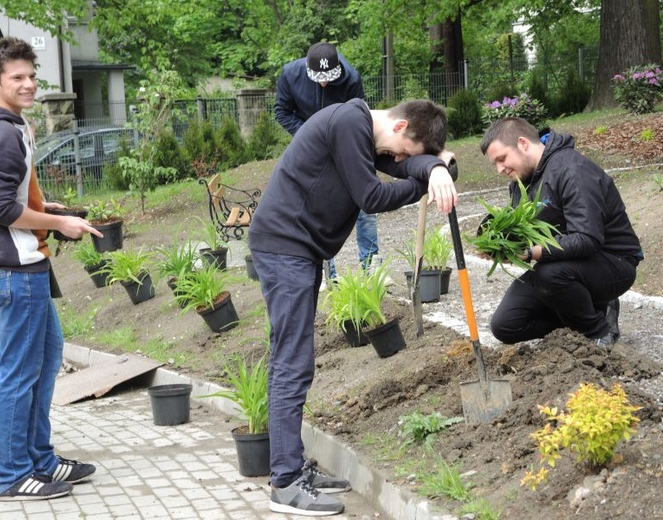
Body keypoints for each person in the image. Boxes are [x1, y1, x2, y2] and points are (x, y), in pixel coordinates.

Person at [249, 97, 457, 516]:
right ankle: (285, 483)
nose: (397, 159)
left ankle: (290, 467)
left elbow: (402, 165)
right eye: (403, 150)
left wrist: (434, 166)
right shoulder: (349, 123)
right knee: (293, 361)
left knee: (291, 360)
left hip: (296, 250)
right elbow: (372, 195)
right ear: (400, 129)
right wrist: (425, 179)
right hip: (284, 248)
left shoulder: (364, 133)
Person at [0, 37, 103, 501]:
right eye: (17, 78)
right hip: (13, 268)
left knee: (45, 359)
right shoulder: (1, 132)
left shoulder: (5, 122)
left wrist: (47, 206)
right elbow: (1, 209)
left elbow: (7, 198)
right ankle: (13, 475)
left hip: (13, 264)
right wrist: (59, 221)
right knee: (17, 373)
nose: (28, 84)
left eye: (31, 75)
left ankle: (42, 461)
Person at [479, 117, 644, 347]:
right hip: (563, 265)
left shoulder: (572, 169)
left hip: (612, 262)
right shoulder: (520, 182)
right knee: (506, 325)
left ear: (523, 143)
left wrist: (530, 253)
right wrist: (498, 243)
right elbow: (525, 233)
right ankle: (582, 310)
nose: (499, 169)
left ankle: (598, 329)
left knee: (549, 275)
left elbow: (588, 239)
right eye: (494, 163)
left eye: (502, 158)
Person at [275, 42, 380, 282]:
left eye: (328, 78)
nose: (324, 84)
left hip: (345, 145)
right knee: (318, 208)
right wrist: (310, 135)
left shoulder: (351, 78)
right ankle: (326, 275)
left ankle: (371, 268)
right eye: (318, 79)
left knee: (365, 206)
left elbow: (359, 116)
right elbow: (282, 111)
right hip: (310, 148)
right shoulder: (290, 75)